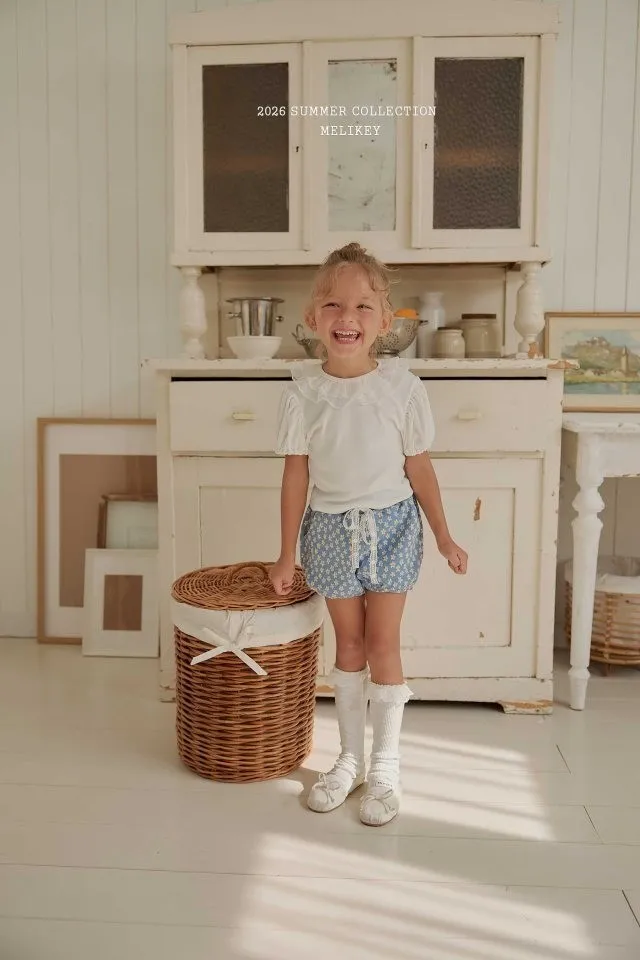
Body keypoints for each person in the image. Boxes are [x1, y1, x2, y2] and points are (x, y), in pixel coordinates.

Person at [269, 242, 468, 827]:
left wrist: (444, 536)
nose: (347, 316)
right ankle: (349, 758)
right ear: (313, 318)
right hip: (329, 531)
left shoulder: (402, 389)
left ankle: (385, 765)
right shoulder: (302, 392)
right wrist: (285, 554)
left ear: (384, 321)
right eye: (333, 304)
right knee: (348, 648)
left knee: (384, 646)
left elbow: (420, 469)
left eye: (362, 306)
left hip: (393, 528)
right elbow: (296, 476)